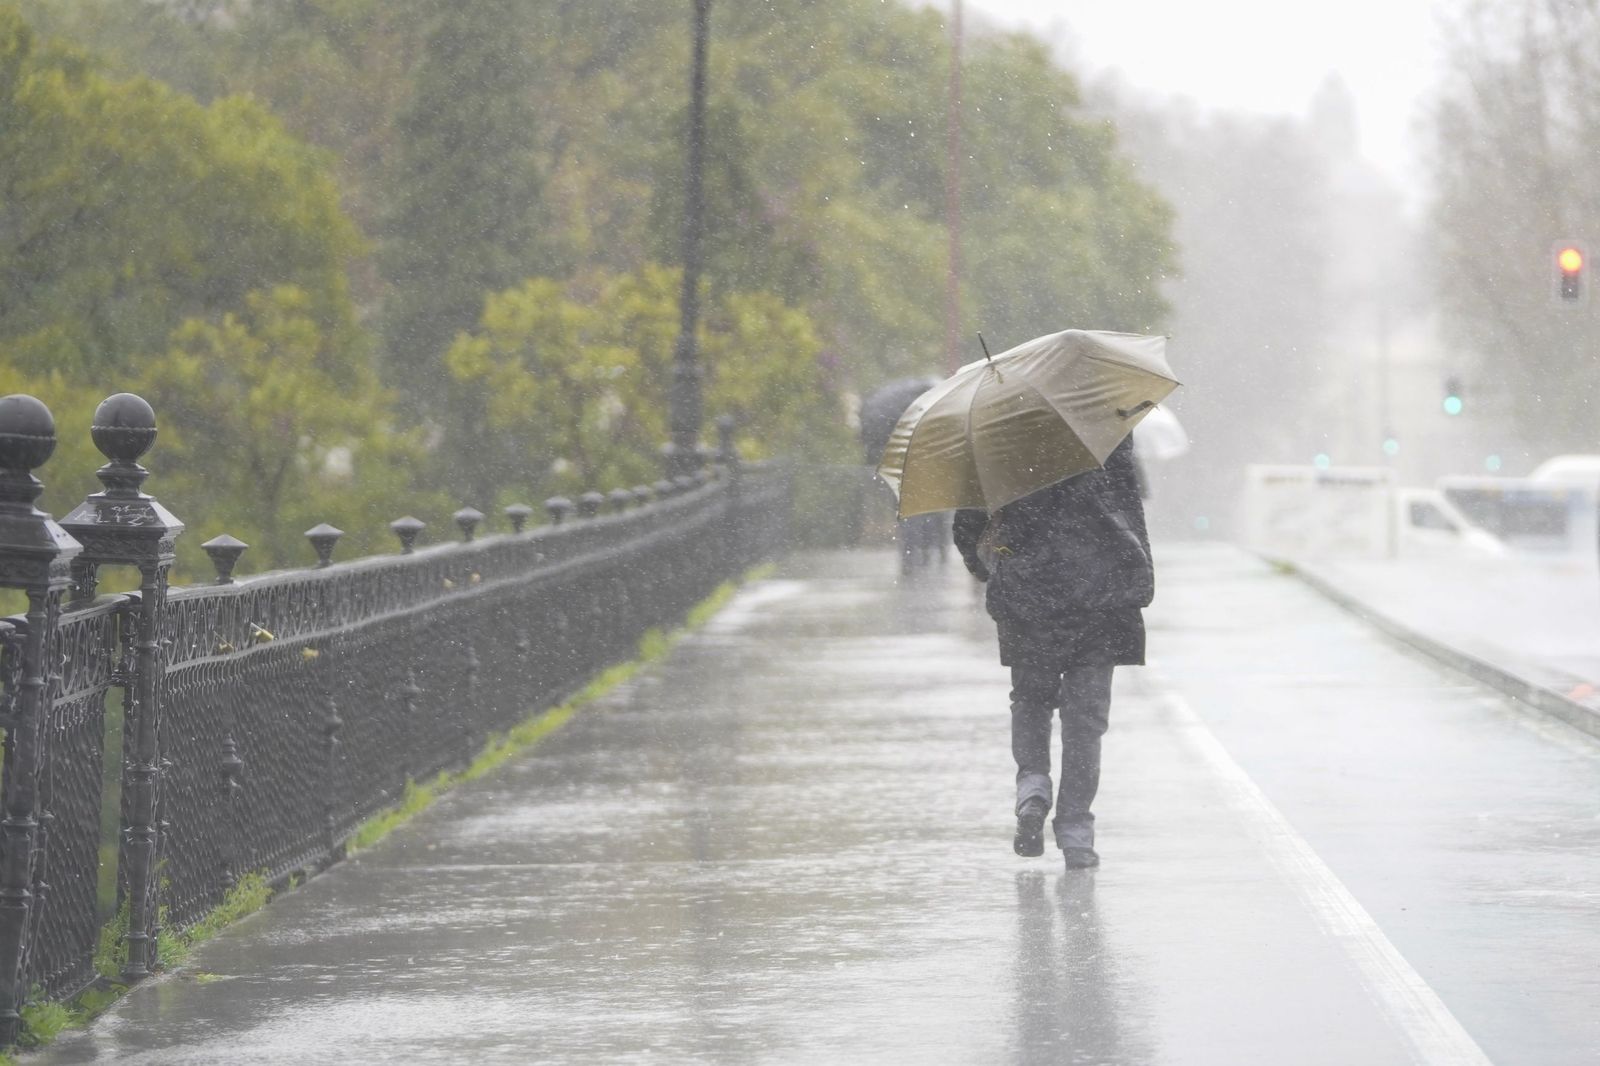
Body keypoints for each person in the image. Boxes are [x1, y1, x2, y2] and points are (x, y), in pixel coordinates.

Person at [952, 436, 1153, 871]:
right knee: (1085, 723)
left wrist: (990, 568)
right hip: (1101, 592)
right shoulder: (1103, 427)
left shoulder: (996, 434)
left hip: (1028, 595)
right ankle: (1076, 833)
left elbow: (968, 524)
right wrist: (1138, 581)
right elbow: (1130, 510)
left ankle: (1033, 788)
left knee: (1031, 700)